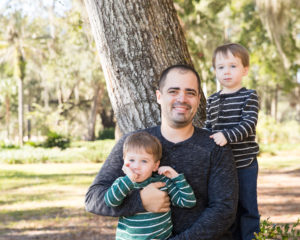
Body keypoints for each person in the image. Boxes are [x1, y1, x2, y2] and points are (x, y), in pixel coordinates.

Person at [85, 64, 238, 240]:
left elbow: (223, 210)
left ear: (198, 99)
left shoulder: (215, 146)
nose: (182, 98)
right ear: (159, 96)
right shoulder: (134, 144)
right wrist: (141, 201)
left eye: (190, 92)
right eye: (173, 91)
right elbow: (93, 199)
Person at [204, 43, 260, 240]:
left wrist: (227, 135)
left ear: (245, 70)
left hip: (245, 164)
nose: (226, 71)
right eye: (221, 67)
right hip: (221, 166)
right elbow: (208, 128)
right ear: (215, 71)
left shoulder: (249, 96)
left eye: (233, 66)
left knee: (247, 206)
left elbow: (249, 124)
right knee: (228, 207)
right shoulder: (211, 100)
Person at [105, 131, 196, 239]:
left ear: (155, 165)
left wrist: (176, 177)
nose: (136, 166)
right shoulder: (122, 183)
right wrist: (129, 179)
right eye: (131, 160)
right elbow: (110, 202)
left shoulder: (162, 182)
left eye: (144, 161)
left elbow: (188, 202)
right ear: (124, 161)